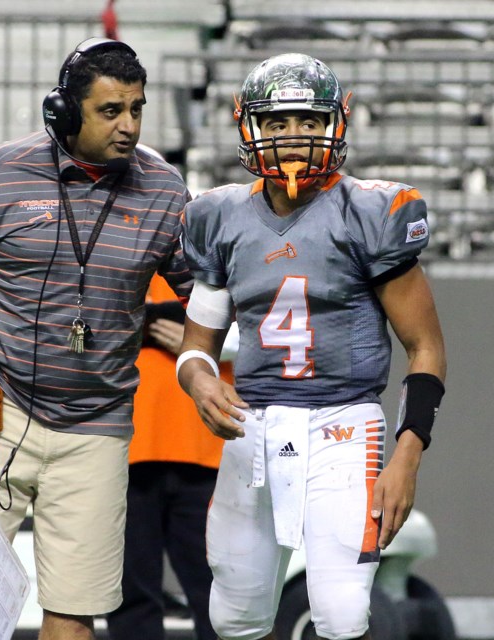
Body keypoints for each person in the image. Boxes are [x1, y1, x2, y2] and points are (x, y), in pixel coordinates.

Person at [0, 37, 194, 640]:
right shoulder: (0, 172)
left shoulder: (166, 190)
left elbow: (202, 294)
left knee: (73, 609)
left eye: (137, 109)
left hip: (96, 424)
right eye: (110, 111)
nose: (128, 126)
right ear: (66, 112)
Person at [175, 53, 448, 640]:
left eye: (307, 121)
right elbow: (197, 347)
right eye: (276, 124)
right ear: (249, 128)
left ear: (336, 124)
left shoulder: (369, 213)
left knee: (342, 612)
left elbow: (425, 347)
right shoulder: (219, 217)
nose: (292, 137)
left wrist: (408, 454)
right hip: (254, 426)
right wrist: (199, 381)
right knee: (233, 616)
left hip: (345, 425)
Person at [105, 274, 234, 640]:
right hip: (125, 453)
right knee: (130, 594)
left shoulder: (210, 267)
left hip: (205, 452)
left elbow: (262, 330)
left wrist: (200, 347)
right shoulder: (122, 260)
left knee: (218, 592)